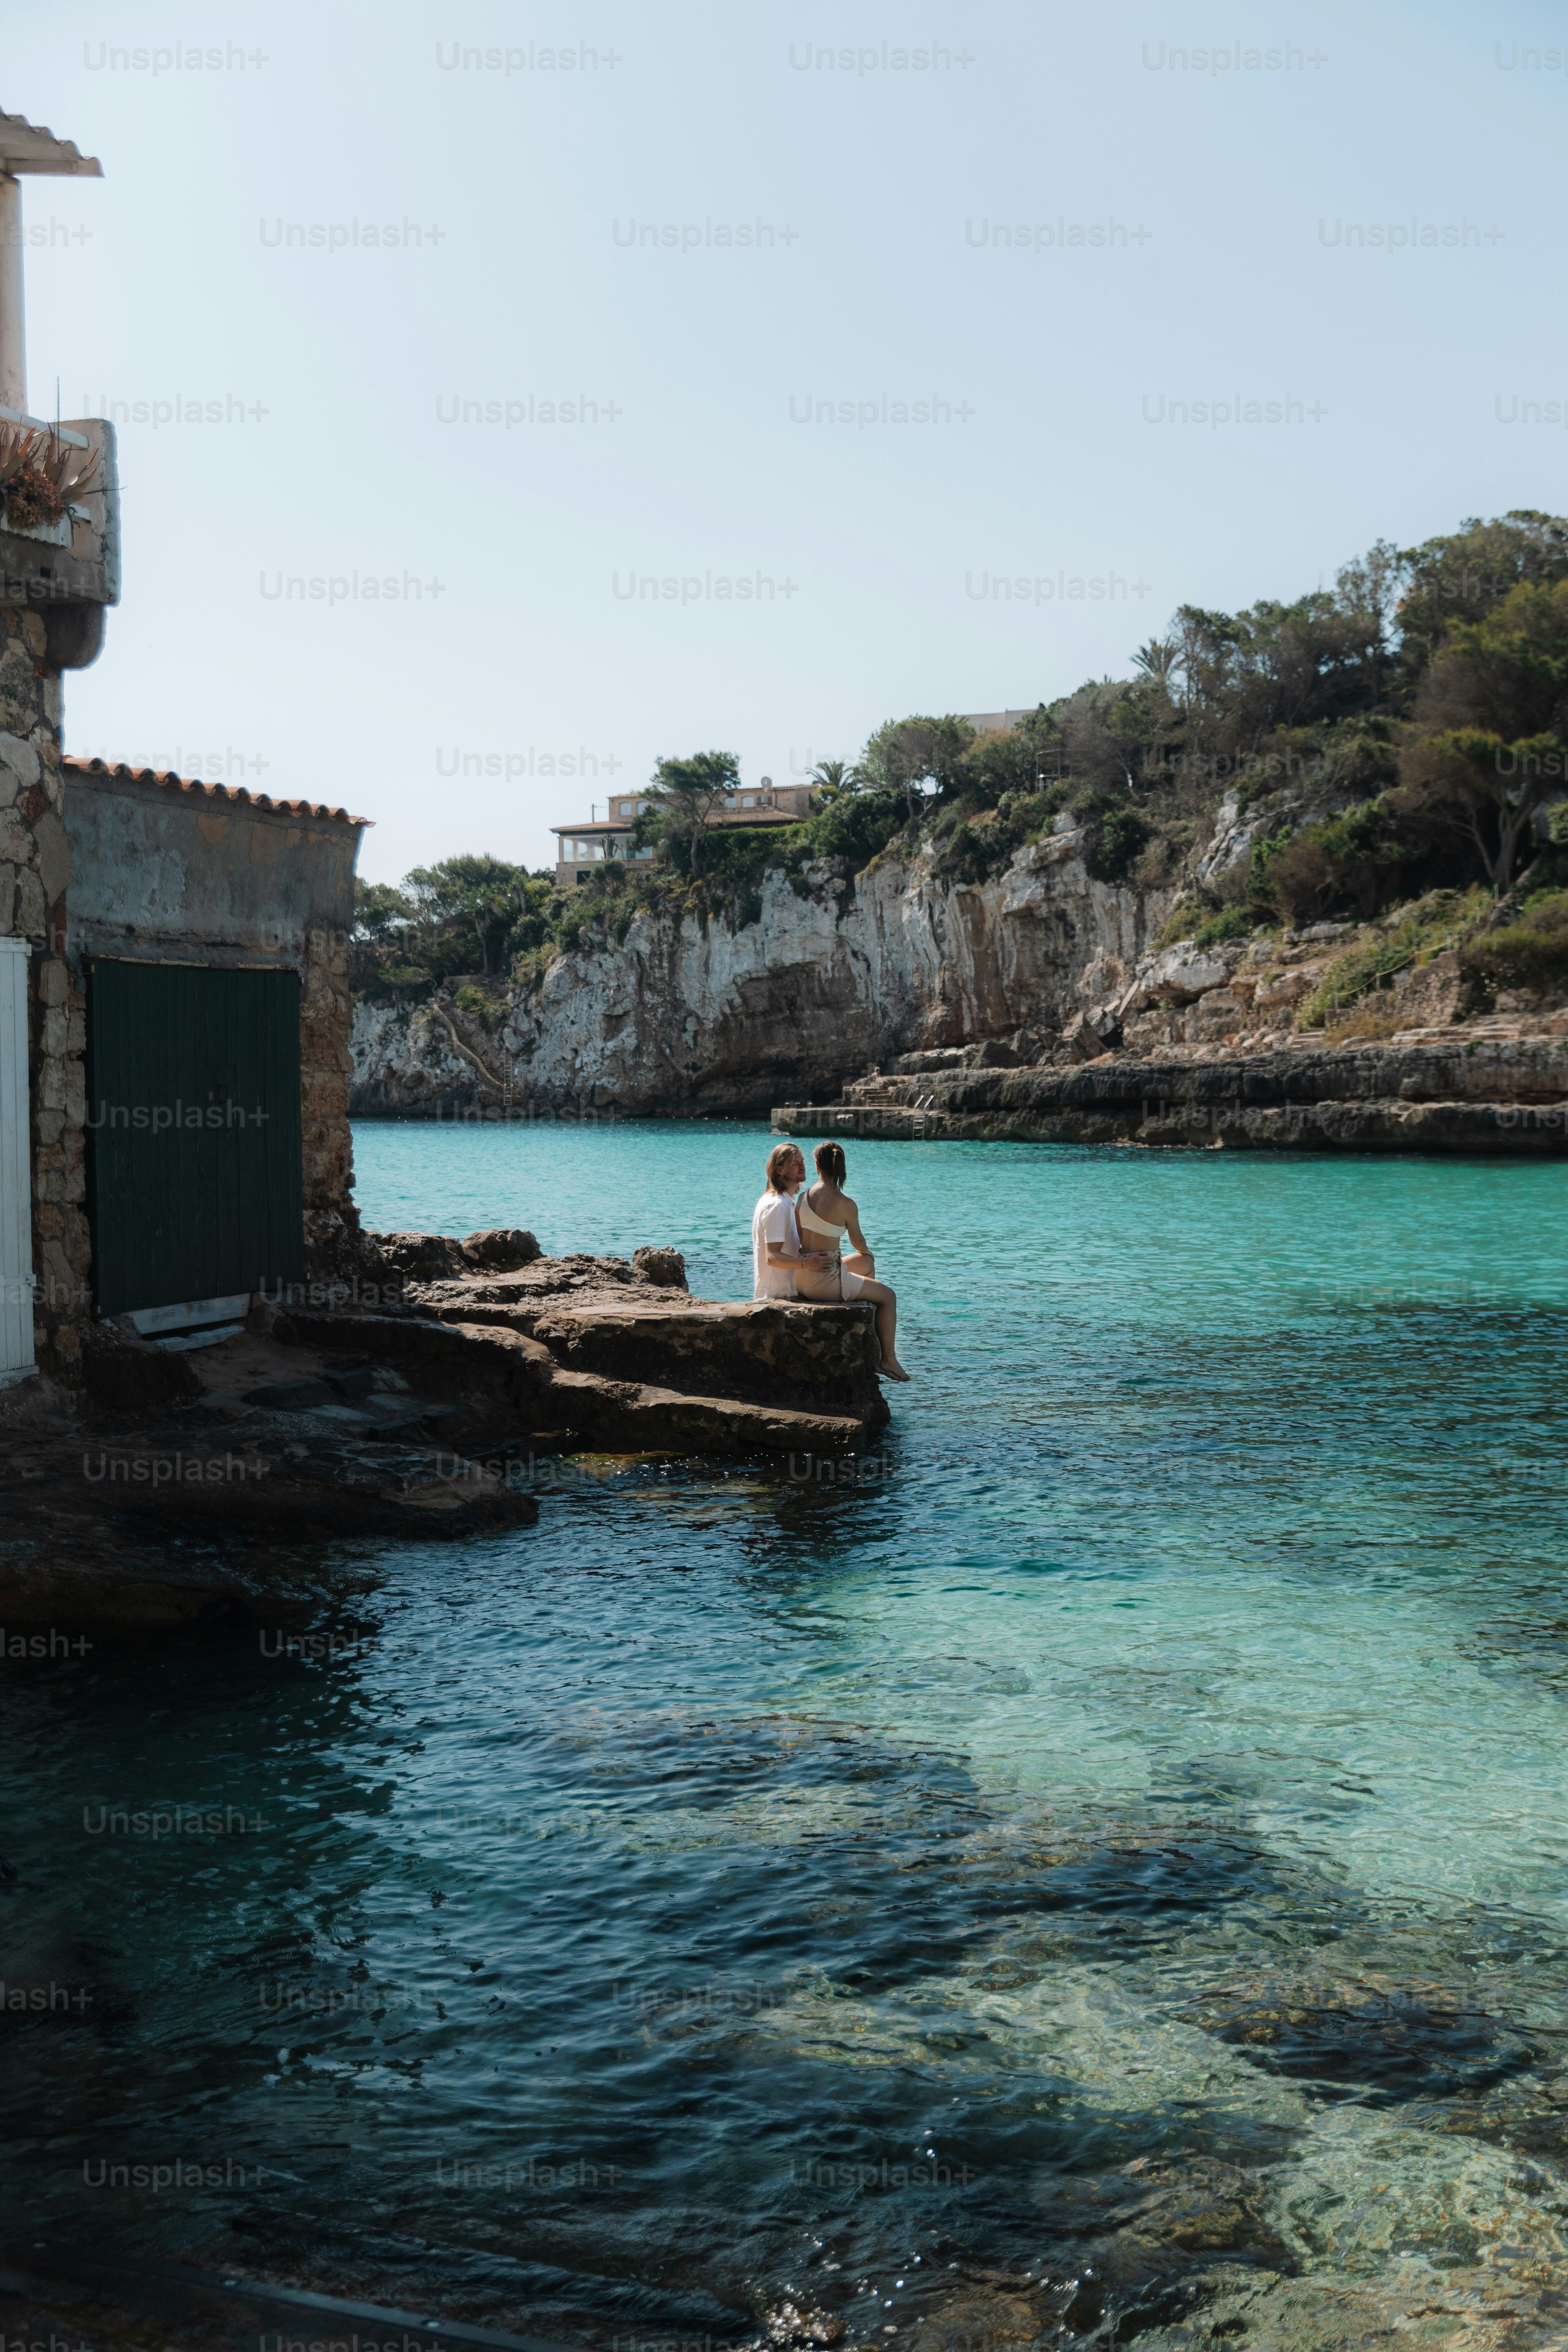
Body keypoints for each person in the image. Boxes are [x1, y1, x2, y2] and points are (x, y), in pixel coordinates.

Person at [792, 1141, 910, 1382]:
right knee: (889, 1296)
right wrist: (868, 1252)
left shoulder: (802, 1198)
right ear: (841, 1167)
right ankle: (887, 1356)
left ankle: (872, 1329)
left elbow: (802, 1240)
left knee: (866, 1265)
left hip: (803, 1278)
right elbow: (859, 1243)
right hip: (826, 1284)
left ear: (817, 1166)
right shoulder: (846, 1204)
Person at [752, 1141, 831, 1301]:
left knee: (861, 1264)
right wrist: (808, 1263)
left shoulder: (786, 1202)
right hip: (778, 1295)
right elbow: (772, 1257)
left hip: (790, 1290)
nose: (802, 1167)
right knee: (866, 1268)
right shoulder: (777, 1206)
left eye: (802, 1162)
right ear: (779, 1170)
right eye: (795, 1163)